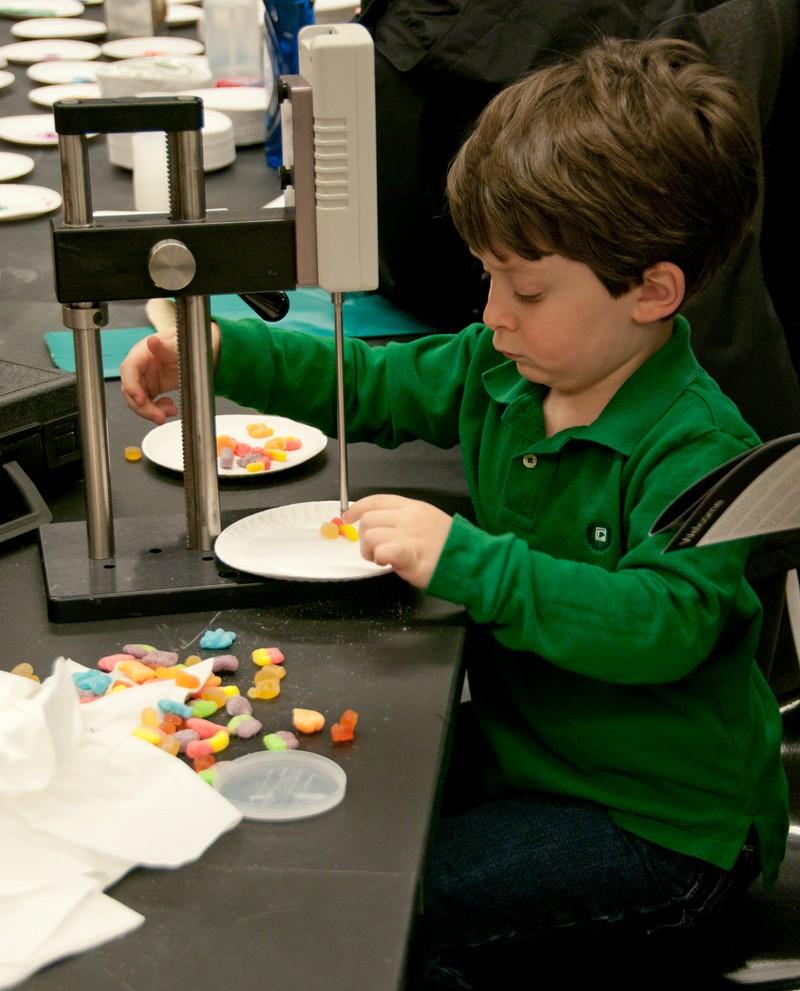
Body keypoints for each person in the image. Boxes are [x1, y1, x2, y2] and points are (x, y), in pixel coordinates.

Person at [121, 37, 789, 988]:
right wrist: (220, 354)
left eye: (524, 289)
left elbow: (664, 625)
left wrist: (470, 560)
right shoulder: (508, 367)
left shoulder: (698, 445)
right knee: (342, 810)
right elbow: (374, 380)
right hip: (537, 760)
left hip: (665, 827)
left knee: (391, 912)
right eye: (487, 278)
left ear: (653, 291)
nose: (493, 314)